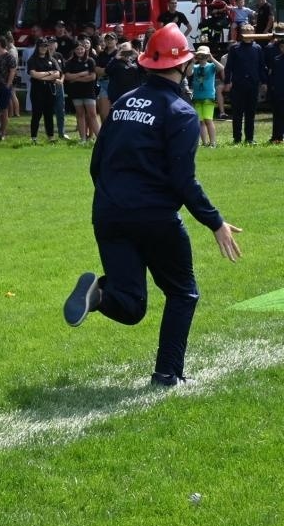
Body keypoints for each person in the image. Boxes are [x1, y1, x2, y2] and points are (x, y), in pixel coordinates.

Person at [64, 25, 242, 387]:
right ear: (184, 65)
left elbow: (96, 163)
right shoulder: (180, 111)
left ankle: (97, 295)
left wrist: (114, 198)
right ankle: (166, 374)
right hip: (154, 217)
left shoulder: (124, 102)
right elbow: (183, 181)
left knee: (130, 306)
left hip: (109, 212)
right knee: (182, 292)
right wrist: (215, 222)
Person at [222, 26, 262, 144]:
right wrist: (227, 82)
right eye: (245, 32)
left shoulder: (257, 48)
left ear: (253, 33)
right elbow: (228, 67)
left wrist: (263, 82)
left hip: (253, 84)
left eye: (250, 32)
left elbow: (261, 66)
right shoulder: (235, 48)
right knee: (237, 113)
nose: (248, 34)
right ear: (242, 34)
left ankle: (249, 138)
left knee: (251, 113)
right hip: (238, 84)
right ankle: (237, 138)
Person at [63, 40, 100, 143]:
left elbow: (92, 77)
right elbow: (67, 76)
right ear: (74, 50)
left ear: (85, 49)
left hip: (89, 91)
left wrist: (75, 79)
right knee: (80, 114)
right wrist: (82, 73)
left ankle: (99, 139)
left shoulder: (90, 61)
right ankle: (83, 138)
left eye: (81, 49)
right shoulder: (70, 62)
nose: (80, 51)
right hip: (76, 92)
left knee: (92, 114)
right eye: (77, 49)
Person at [26, 39, 62, 143]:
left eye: (45, 46)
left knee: (49, 114)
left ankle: (50, 136)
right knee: (37, 114)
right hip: (37, 89)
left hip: (49, 89)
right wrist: (49, 73)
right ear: (37, 47)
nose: (43, 48)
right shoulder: (33, 60)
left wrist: (43, 76)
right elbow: (33, 74)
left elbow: (58, 74)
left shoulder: (52, 59)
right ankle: (34, 137)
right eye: (41, 46)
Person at [188, 45, 221, 148]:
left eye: (204, 56)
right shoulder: (196, 67)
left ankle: (213, 142)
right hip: (197, 97)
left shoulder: (211, 66)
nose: (202, 58)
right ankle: (204, 142)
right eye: (200, 56)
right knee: (200, 121)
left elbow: (221, 68)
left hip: (208, 97)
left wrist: (212, 58)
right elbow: (188, 73)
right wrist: (193, 61)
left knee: (208, 120)